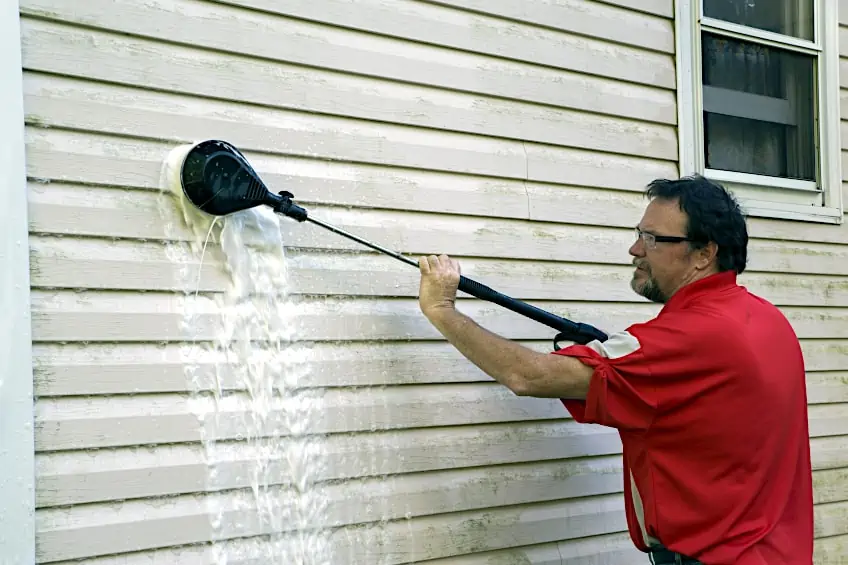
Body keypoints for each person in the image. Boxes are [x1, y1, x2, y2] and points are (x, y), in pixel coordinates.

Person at [417, 175, 813, 565]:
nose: (635, 248)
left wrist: (442, 310)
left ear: (703, 253)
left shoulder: (679, 339)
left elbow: (529, 376)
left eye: (653, 239)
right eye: (639, 233)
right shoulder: (768, 320)